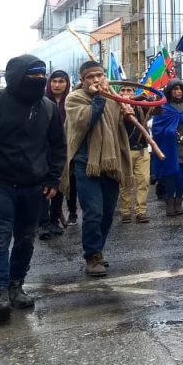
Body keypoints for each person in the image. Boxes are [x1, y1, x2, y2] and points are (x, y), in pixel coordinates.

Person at [0, 56, 66, 320]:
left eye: (42, 76)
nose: (39, 81)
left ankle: (16, 285)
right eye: (33, 75)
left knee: (26, 239)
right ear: (16, 76)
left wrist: (52, 179)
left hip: (34, 187)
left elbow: (58, 147)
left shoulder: (48, 108)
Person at [64, 61, 133, 278]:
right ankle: (92, 255)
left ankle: (98, 249)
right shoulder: (74, 99)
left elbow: (123, 131)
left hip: (111, 164)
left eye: (100, 75)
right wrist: (101, 98)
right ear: (82, 80)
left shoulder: (113, 99)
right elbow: (85, 121)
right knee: (94, 211)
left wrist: (128, 114)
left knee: (107, 214)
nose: (96, 80)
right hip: (87, 163)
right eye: (91, 77)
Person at [152, 79, 183, 217]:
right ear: (170, 91)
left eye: (180, 89)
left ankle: (178, 201)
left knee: (181, 178)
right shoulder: (164, 108)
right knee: (173, 176)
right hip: (170, 148)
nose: (178, 91)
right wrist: (169, 132)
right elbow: (156, 128)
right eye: (175, 89)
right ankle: (169, 202)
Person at [39, 70, 76, 235]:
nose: (57, 85)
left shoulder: (72, 101)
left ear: (67, 84)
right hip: (44, 149)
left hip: (65, 149)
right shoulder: (42, 101)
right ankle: (43, 223)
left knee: (60, 184)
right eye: (54, 81)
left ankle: (54, 220)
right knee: (44, 186)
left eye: (61, 81)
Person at [118, 85, 152, 223]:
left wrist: (152, 101)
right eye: (123, 91)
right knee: (125, 182)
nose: (126, 93)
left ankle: (141, 211)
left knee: (143, 181)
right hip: (124, 151)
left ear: (133, 92)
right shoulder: (114, 107)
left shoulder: (140, 105)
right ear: (119, 93)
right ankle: (125, 211)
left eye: (129, 91)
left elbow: (158, 110)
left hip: (142, 149)